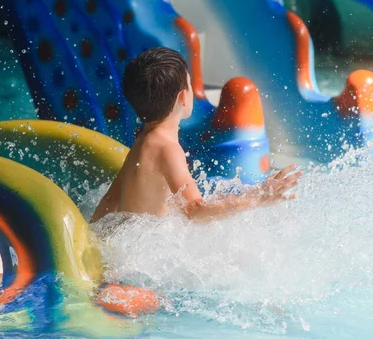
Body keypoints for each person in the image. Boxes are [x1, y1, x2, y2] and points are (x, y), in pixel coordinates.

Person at [91, 47, 301, 223]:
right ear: (183, 97)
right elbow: (195, 210)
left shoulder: (142, 142)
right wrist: (257, 198)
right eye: (190, 84)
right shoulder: (169, 150)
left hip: (132, 246)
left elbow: (110, 200)